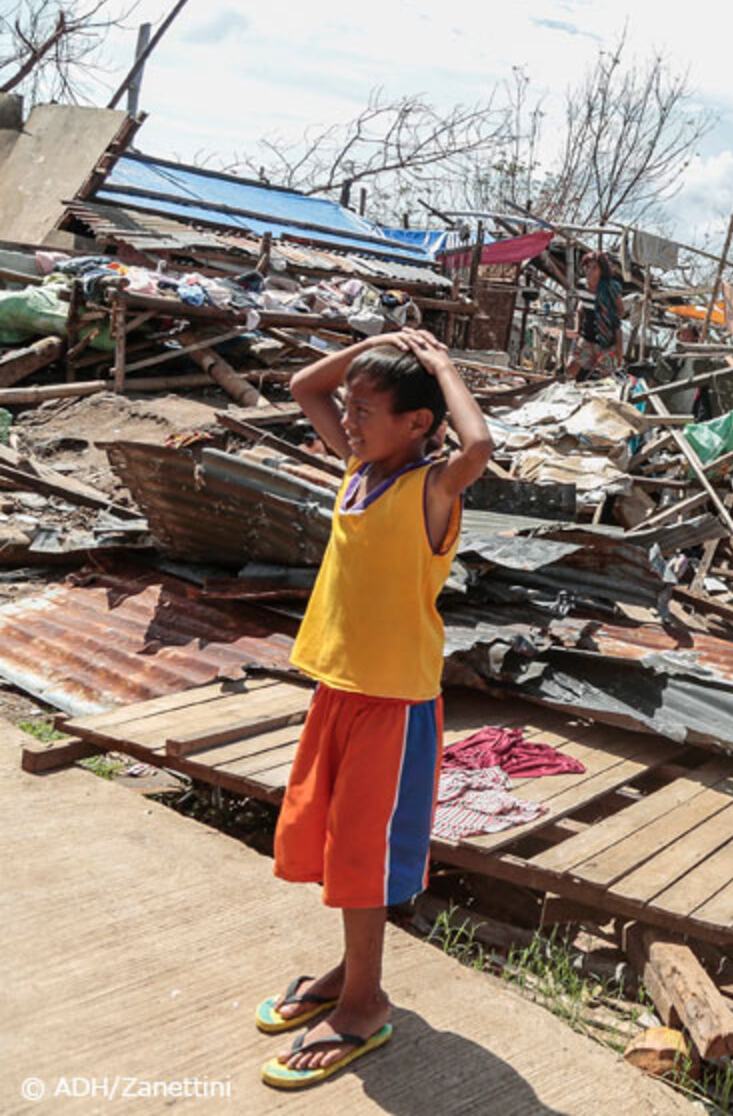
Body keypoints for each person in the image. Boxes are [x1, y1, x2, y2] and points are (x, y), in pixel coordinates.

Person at [254, 327, 493, 1090]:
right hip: (342, 686)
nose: (348, 420)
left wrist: (443, 367)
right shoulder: (361, 469)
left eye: (366, 409)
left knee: (364, 854)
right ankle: (354, 973)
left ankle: (364, 1004)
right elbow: (303, 387)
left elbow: (479, 444)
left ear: (419, 423)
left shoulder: (432, 488)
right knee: (331, 843)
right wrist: (378, 342)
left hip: (393, 702)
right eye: (349, 408)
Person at [567, 250, 624, 380]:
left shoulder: (611, 287)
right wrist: (577, 328)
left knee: (608, 379)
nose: (589, 271)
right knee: (570, 369)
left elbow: (621, 311)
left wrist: (605, 316)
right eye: (587, 267)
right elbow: (581, 307)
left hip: (607, 341)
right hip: (587, 338)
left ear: (602, 271)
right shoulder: (581, 285)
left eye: (594, 268)